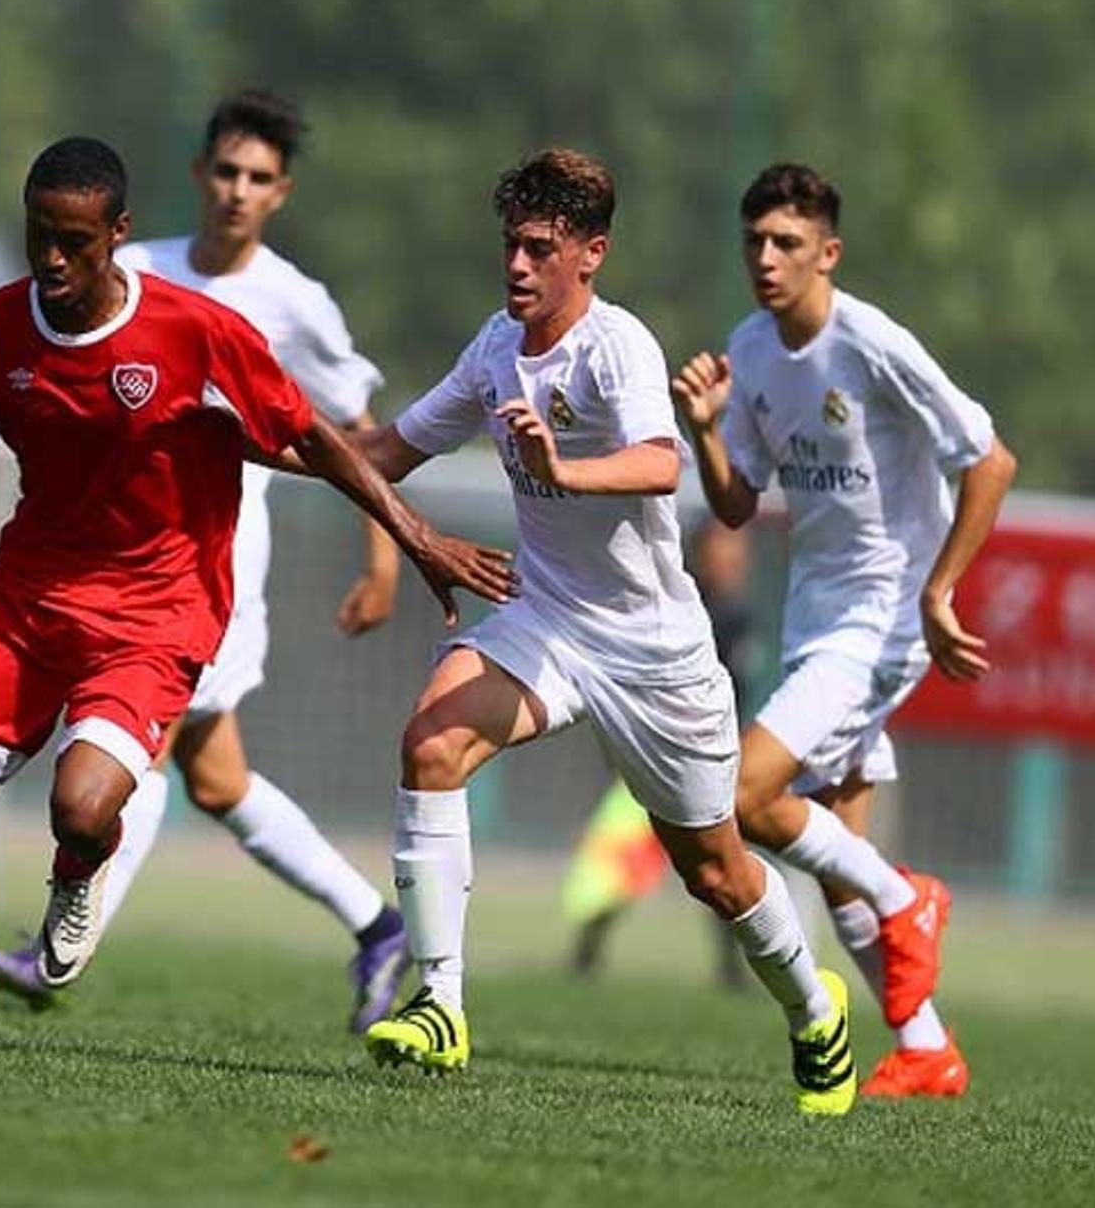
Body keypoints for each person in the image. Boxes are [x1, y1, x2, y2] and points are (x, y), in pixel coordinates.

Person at [0, 136, 515, 1044]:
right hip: (25, 605)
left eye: (74, 241)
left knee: (84, 806)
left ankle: (78, 880)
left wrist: (415, 538)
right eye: (38, 234)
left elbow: (317, 437)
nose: (52, 257)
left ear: (116, 234)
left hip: (158, 613)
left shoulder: (195, 331)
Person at [349, 148, 858, 1115]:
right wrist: (252, 436)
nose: (518, 266)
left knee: (716, 872)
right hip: (549, 622)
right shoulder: (492, 348)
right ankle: (440, 1005)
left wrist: (559, 468)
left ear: (591, 253)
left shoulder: (616, 346)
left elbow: (661, 464)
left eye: (541, 249)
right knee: (431, 743)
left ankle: (812, 1010)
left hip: (656, 653)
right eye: (511, 245)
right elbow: (387, 453)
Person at [0, 92, 414, 1033]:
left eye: (258, 179)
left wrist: (383, 561)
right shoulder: (134, 268)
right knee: (213, 779)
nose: (237, 192)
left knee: (146, 752)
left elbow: (356, 431)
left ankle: (56, 956)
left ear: (280, 193)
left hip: (210, 564)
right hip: (115, 559)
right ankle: (376, 923)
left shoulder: (295, 304)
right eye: (225, 172)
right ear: (200, 175)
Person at [671, 162, 1017, 1098]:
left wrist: (940, 592)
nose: (766, 258)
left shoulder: (870, 343)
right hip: (817, 616)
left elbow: (989, 460)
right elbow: (737, 507)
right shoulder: (750, 349)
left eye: (787, 243)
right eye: (754, 241)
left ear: (828, 252)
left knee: (745, 794)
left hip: (885, 615)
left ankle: (911, 901)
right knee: (833, 853)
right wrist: (705, 429)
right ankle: (925, 1046)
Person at [561, 521, 759, 982]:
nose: (732, 562)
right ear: (699, 555)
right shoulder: (679, 610)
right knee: (623, 862)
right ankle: (587, 949)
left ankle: (732, 966)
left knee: (719, 866)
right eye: (723, 552)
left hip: (711, 763)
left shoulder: (740, 616)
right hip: (656, 754)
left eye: (737, 554)